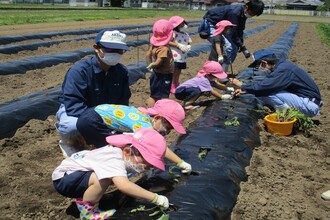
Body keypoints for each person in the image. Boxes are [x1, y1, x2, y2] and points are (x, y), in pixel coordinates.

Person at [52, 128, 170, 219]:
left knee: (103, 177)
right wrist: (155, 198)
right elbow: (124, 186)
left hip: (72, 175)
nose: (145, 167)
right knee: (102, 179)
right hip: (64, 180)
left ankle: (86, 198)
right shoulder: (113, 158)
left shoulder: (119, 152)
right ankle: (88, 214)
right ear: (128, 151)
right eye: (146, 163)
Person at [55, 29, 131, 156]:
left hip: (106, 113)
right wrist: (99, 123)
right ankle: (70, 142)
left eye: (119, 50)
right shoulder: (79, 71)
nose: (116, 54)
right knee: (72, 127)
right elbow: (73, 105)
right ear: (96, 48)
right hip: (79, 111)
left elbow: (123, 102)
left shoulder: (121, 72)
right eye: (111, 49)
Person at [76, 99, 192, 174]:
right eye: (168, 127)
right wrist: (180, 162)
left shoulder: (145, 115)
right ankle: (104, 171)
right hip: (92, 121)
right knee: (110, 149)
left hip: (93, 114)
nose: (168, 131)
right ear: (156, 118)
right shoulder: (143, 124)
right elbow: (158, 147)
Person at [232, 49, 323, 117]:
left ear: (264, 63)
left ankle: (287, 117)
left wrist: (242, 85)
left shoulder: (283, 70)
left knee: (266, 92)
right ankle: (285, 113)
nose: (259, 69)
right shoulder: (283, 66)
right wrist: (247, 91)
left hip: (309, 105)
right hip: (307, 101)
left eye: (258, 66)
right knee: (264, 92)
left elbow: (265, 87)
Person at [146, 19, 174, 107]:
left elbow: (147, 55)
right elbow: (159, 61)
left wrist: (150, 65)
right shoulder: (164, 48)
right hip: (164, 75)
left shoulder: (154, 46)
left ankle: (150, 110)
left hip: (155, 74)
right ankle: (161, 111)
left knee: (154, 94)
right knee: (164, 96)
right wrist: (154, 64)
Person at [168, 16, 192, 94]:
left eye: (183, 24)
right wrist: (178, 45)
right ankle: (171, 85)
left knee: (178, 70)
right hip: (175, 56)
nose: (183, 26)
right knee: (174, 70)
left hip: (182, 56)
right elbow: (168, 42)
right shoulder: (174, 33)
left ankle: (176, 83)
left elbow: (189, 42)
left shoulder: (186, 34)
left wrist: (188, 46)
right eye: (180, 25)